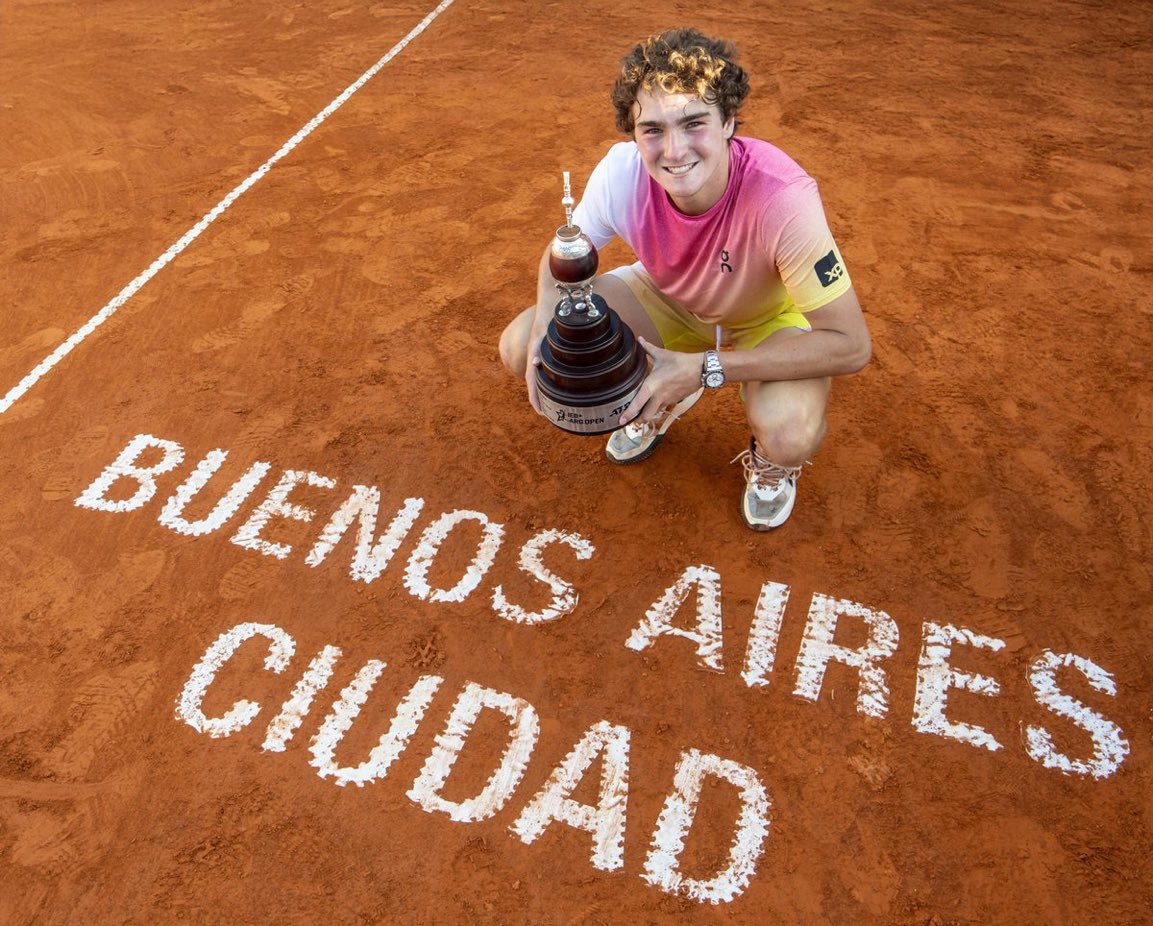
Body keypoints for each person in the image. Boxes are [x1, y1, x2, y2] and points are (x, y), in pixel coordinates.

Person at [499, 27, 871, 530]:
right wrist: (546, 335)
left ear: (728, 122)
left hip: (766, 319)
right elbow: (563, 255)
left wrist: (705, 368)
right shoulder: (622, 174)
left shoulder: (782, 198)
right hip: (665, 297)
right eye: (652, 129)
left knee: (789, 432)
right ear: (633, 134)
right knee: (526, 343)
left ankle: (765, 460)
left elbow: (850, 345)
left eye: (693, 122)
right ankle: (655, 394)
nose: (672, 150)